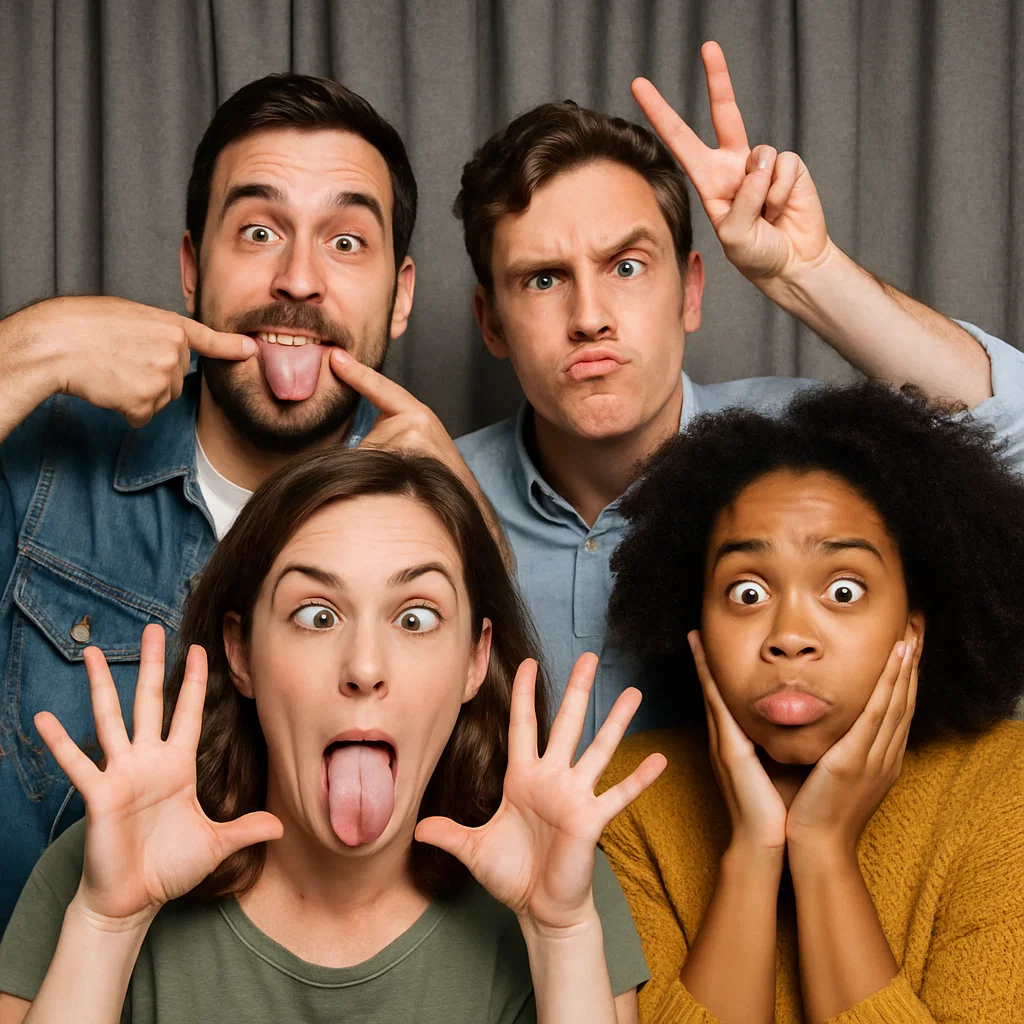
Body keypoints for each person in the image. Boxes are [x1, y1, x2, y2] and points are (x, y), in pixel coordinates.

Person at [0, 74, 489, 930]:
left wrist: (473, 531)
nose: (297, 279)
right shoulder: (45, 462)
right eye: (259, 231)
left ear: (401, 294)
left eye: (345, 243)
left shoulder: (440, 516)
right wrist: (31, 347)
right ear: (192, 268)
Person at [454, 42, 1024, 746]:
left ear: (691, 289)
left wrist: (810, 273)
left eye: (626, 266)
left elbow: (1011, 447)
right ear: (491, 321)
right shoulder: (434, 483)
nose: (589, 315)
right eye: (543, 278)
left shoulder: (807, 456)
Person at [0, 447, 663, 1023]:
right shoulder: (111, 855)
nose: (365, 668)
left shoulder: (556, 873)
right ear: (241, 651)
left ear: (474, 661)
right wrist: (106, 924)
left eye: (416, 618)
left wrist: (561, 935)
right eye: (317, 615)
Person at [598, 381, 1024, 1022]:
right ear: (696, 627)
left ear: (914, 625)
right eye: (747, 593)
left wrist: (824, 851)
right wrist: (753, 852)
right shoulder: (630, 794)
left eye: (844, 591)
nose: (789, 637)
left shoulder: (1005, 788)